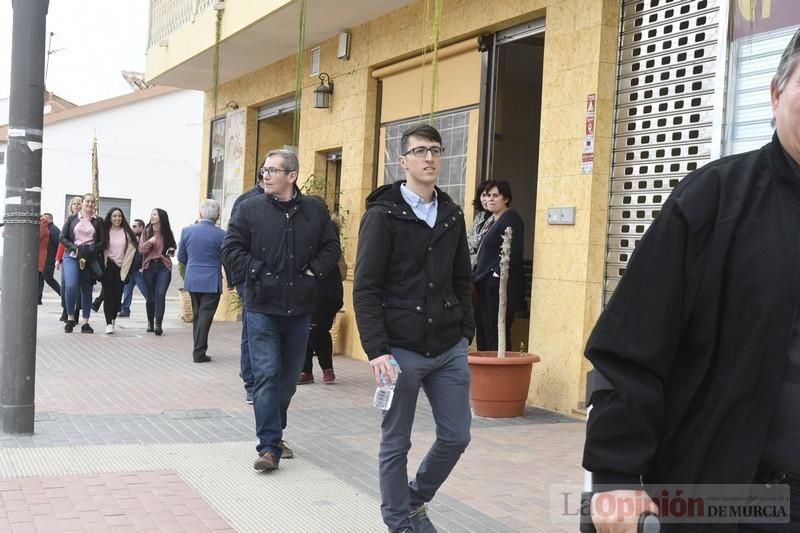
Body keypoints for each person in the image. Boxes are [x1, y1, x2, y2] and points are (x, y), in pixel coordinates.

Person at [583, 28, 800, 532]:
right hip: (727, 496)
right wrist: (615, 477)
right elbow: (630, 349)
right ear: (775, 93)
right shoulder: (713, 201)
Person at [353, 124, 474, 532]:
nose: (429, 158)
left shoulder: (452, 214)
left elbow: (462, 280)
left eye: (436, 150)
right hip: (399, 352)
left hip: (447, 348)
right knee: (396, 442)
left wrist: (465, 335)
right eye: (420, 151)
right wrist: (377, 350)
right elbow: (366, 287)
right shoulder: (382, 216)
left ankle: (414, 499)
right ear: (402, 162)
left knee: (457, 436)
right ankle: (398, 522)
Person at [222, 149, 340, 472]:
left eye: (273, 170)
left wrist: (314, 271)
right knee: (267, 374)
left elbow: (332, 247)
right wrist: (257, 270)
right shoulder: (249, 209)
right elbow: (230, 248)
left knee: (288, 381)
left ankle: (275, 430)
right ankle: (269, 446)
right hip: (261, 305)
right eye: (264, 170)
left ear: (292, 176)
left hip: (300, 307)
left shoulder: (314, 210)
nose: (266, 175)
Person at [472, 180, 524, 351]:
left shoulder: (511, 218)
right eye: (487, 195)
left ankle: (498, 370)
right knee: (484, 328)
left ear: (506, 198)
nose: (490, 199)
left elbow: (513, 252)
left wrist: (495, 274)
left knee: (496, 329)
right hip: (483, 283)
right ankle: (485, 370)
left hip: (499, 285)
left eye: (496, 196)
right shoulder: (490, 220)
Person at [298, 209, 345, 385]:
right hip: (309, 289)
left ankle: (325, 368)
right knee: (306, 328)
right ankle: (306, 371)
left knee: (315, 329)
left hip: (326, 291)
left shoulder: (326, 232)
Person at [230, 171, 265, 403]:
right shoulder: (246, 202)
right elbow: (231, 245)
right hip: (249, 278)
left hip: (278, 280)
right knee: (251, 328)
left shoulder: (289, 202)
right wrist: (240, 277)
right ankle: (251, 382)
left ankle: (262, 379)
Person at [178, 199, 226, 363]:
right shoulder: (222, 234)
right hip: (212, 280)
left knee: (198, 315)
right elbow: (227, 260)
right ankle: (199, 352)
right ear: (218, 216)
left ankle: (198, 348)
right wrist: (232, 281)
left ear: (200, 214)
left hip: (193, 279)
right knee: (205, 316)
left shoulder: (186, 231)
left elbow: (181, 257)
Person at [59, 193, 105, 333]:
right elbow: (63, 237)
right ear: (82, 203)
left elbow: (102, 242)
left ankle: (85, 322)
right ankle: (71, 318)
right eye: (87, 202)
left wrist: (90, 249)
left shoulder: (98, 221)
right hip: (72, 256)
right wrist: (74, 248)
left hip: (89, 258)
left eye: (92, 202)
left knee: (87, 290)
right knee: (71, 286)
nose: (90, 204)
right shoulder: (72, 218)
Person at [139, 208, 177, 336]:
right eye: (151, 214)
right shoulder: (147, 231)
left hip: (163, 266)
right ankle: (150, 321)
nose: (152, 216)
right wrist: (150, 242)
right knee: (151, 297)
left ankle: (158, 323)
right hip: (149, 266)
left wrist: (171, 250)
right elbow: (141, 250)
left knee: (160, 294)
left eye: (155, 214)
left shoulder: (167, 232)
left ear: (161, 217)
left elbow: (172, 247)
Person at [100, 208, 138, 334]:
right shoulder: (105, 231)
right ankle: (108, 323)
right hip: (108, 266)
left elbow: (134, 249)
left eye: (119, 216)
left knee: (117, 296)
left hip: (122, 268)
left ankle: (113, 317)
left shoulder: (127, 232)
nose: (117, 218)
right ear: (110, 217)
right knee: (108, 295)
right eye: (114, 216)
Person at [57, 196, 84, 322]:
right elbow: (62, 241)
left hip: (81, 256)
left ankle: (75, 312)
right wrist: (58, 258)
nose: (77, 205)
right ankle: (66, 310)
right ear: (71, 206)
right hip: (66, 256)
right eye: (75, 204)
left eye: (79, 203)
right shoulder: (68, 220)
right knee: (65, 286)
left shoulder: (86, 220)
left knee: (76, 286)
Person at [118, 219, 147, 318]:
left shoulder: (146, 238)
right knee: (127, 291)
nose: (132, 228)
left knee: (145, 291)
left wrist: (143, 267)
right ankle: (125, 310)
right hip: (130, 270)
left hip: (139, 271)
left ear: (141, 227)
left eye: (135, 226)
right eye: (132, 226)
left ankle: (153, 307)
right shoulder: (131, 238)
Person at [466, 182, 492, 268]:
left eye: (489, 195)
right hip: (472, 263)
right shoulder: (480, 216)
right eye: (483, 195)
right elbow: (468, 239)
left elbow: (482, 243)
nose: (486, 199)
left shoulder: (497, 217)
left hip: (486, 265)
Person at [38, 213, 61, 304]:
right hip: (46, 258)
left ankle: (62, 293)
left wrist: (57, 258)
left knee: (48, 278)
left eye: (45, 219)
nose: (43, 220)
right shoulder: (48, 228)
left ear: (50, 219)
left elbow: (59, 244)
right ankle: (38, 299)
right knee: (40, 278)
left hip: (50, 258)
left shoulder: (53, 230)